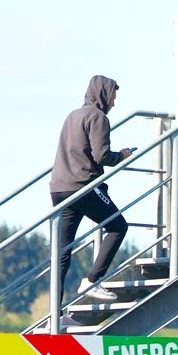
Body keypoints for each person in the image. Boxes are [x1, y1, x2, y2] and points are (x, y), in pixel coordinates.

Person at [50, 74, 135, 303]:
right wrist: (123, 156)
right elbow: (102, 155)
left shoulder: (72, 116)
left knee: (62, 254)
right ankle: (92, 281)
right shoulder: (98, 117)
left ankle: (54, 315)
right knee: (118, 226)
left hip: (59, 188)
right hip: (82, 187)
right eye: (113, 96)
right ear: (104, 94)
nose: (114, 103)